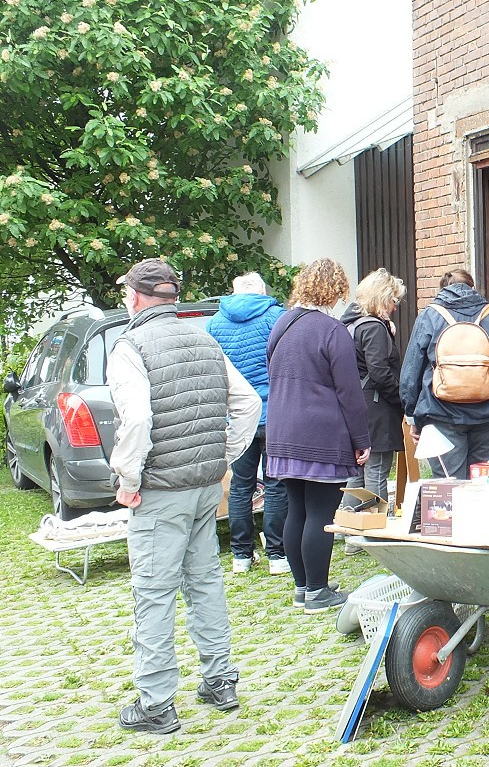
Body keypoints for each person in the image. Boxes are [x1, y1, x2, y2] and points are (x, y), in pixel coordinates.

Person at [108, 259, 261, 734]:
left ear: (135, 298)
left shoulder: (129, 346)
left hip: (159, 491)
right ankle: (220, 682)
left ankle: (156, 703)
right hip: (203, 486)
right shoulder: (205, 337)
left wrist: (128, 482)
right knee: (205, 583)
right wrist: (224, 455)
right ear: (172, 299)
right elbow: (249, 402)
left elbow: (135, 422)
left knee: (153, 593)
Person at [265, 258, 371, 614]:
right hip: (320, 434)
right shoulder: (331, 330)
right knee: (321, 514)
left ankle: (301, 588)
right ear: (335, 289)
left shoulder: (282, 323)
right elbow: (349, 392)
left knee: (297, 510)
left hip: (281, 430)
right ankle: (318, 591)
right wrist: (362, 440)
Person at [400, 268, 489, 479]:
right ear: (472, 288)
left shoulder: (429, 316)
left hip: (440, 413)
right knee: (483, 484)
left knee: (447, 486)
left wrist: (412, 415)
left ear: (442, 290)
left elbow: (411, 370)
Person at [207, 272, 290, 575]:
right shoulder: (276, 318)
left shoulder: (215, 323)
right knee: (276, 483)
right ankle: (278, 556)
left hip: (238, 417)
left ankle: (241, 556)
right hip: (274, 414)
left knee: (241, 486)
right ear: (262, 291)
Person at [340, 268, 407, 505]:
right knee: (376, 471)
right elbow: (379, 372)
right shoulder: (373, 327)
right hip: (377, 409)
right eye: (393, 299)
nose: (395, 306)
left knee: (357, 475)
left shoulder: (350, 324)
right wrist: (403, 399)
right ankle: (374, 531)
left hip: (354, 405)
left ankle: (350, 533)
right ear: (381, 298)